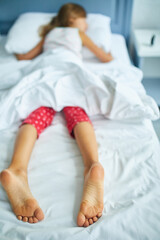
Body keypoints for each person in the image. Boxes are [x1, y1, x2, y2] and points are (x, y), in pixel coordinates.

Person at [0, 3, 113, 227]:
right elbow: (104, 58)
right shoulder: (78, 33)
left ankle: (17, 168)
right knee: (76, 109)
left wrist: (18, 53)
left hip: (46, 70)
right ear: (73, 20)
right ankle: (92, 165)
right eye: (84, 20)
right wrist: (107, 53)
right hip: (70, 70)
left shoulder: (50, 33)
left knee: (37, 112)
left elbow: (25, 57)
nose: (87, 25)